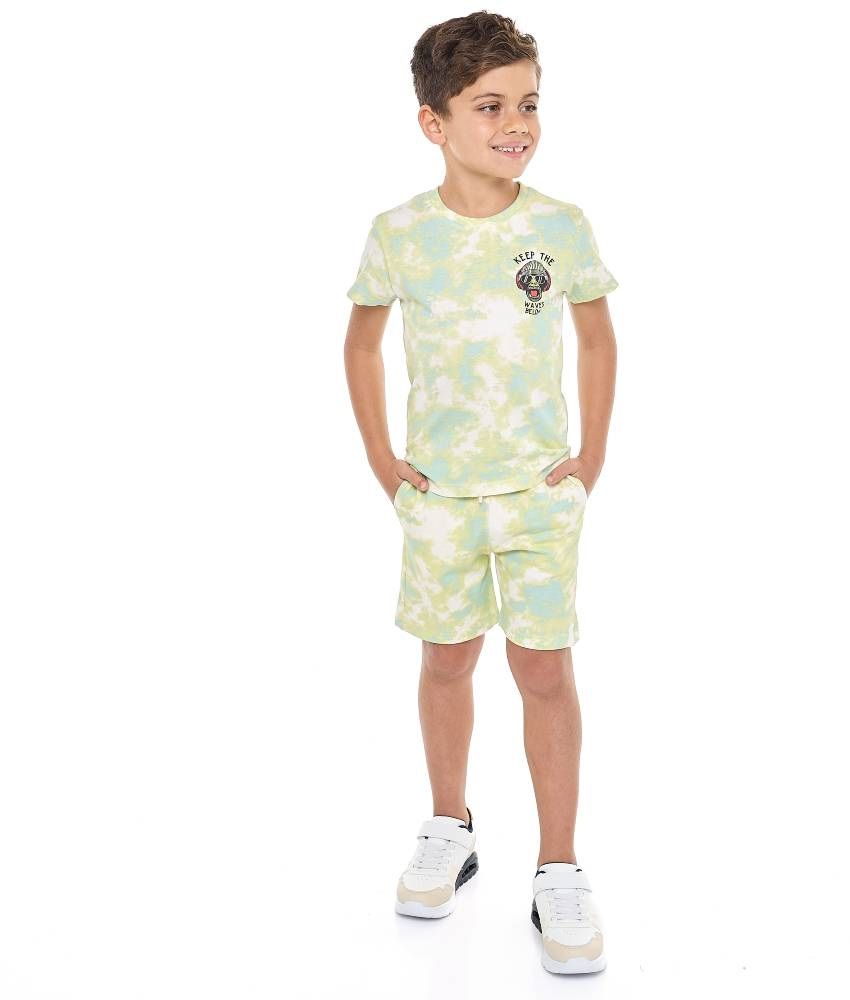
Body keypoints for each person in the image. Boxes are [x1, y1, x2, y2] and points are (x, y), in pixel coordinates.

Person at [343, 11, 617, 976]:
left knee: (544, 671)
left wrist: (589, 458)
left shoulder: (559, 226)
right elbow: (361, 342)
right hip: (443, 499)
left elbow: (596, 337)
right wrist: (384, 461)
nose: (516, 124)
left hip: (538, 496)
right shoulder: (399, 234)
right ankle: (448, 827)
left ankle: (559, 869)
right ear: (435, 122)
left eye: (529, 104)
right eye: (490, 106)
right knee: (448, 659)